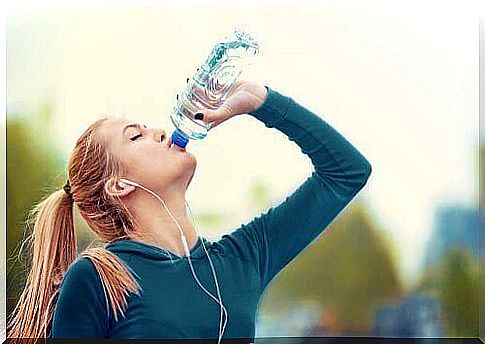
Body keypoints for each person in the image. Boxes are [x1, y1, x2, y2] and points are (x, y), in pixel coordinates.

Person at [6, 80, 372, 341]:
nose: (161, 132)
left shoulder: (242, 259)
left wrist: (261, 101)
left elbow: (347, 172)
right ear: (119, 185)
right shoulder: (100, 279)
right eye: (137, 136)